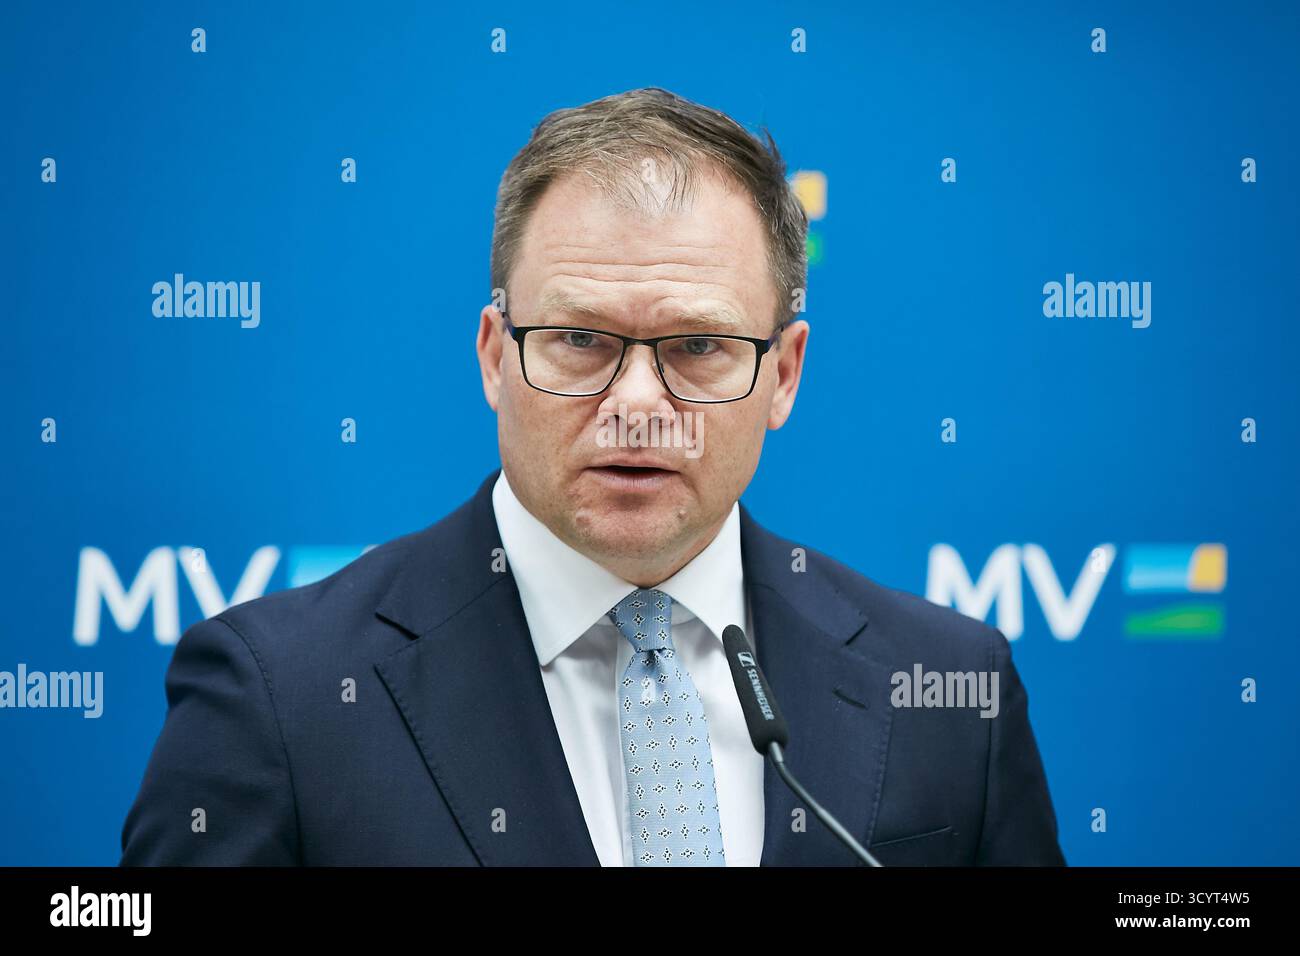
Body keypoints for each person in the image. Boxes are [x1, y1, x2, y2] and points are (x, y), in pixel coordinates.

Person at [120, 87, 1065, 866]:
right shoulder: (279, 700)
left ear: (783, 375)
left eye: (698, 346)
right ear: (494, 356)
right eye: (580, 340)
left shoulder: (950, 685)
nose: (639, 404)